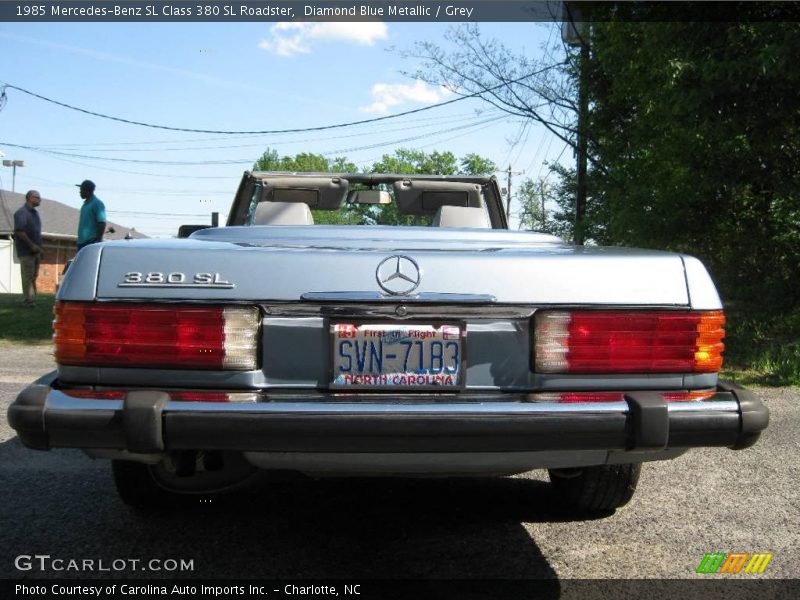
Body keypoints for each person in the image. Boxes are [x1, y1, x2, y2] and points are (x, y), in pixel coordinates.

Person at [13, 190, 43, 307]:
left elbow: (37, 233)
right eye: (37, 197)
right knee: (27, 276)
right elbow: (20, 232)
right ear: (29, 198)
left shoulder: (35, 214)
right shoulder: (21, 213)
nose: (39, 199)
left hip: (36, 251)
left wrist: (40, 248)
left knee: (34, 276)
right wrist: (32, 245)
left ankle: (32, 299)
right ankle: (28, 301)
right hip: (26, 251)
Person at [76, 179, 107, 250]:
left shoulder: (97, 203)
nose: (80, 192)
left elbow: (102, 223)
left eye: (81, 190)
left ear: (87, 190)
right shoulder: (85, 205)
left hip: (91, 242)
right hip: (81, 242)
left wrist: (98, 241)